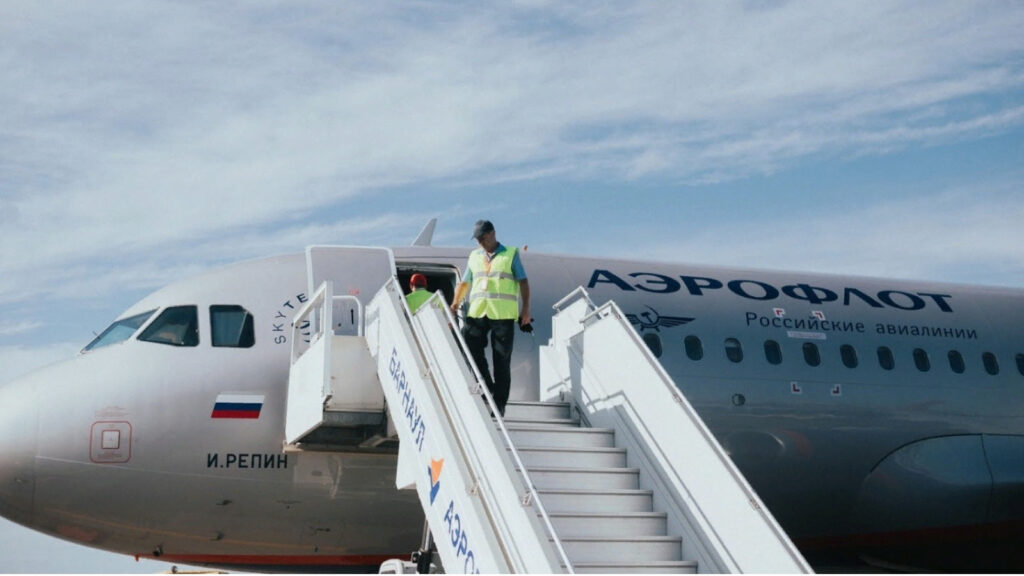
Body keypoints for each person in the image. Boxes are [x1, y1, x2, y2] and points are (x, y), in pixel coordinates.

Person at [450, 220, 531, 416]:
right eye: (477, 240)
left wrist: (525, 310)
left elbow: (523, 282)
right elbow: (465, 283)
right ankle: (487, 385)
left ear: (493, 234)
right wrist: (454, 304)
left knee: (501, 360)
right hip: (478, 311)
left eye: (483, 238)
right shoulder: (474, 256)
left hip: (502, 314)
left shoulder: (510, 254)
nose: (480, 242)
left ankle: (499, 403)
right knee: (469, 345)